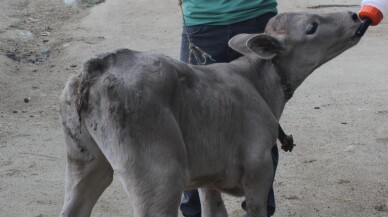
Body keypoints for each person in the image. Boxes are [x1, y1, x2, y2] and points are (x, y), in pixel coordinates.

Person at [178, 1, 279, 217]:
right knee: (194, 123)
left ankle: (259, 209)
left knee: (262, 124)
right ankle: (195, 211)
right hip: (202, 21)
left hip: (254, 16)